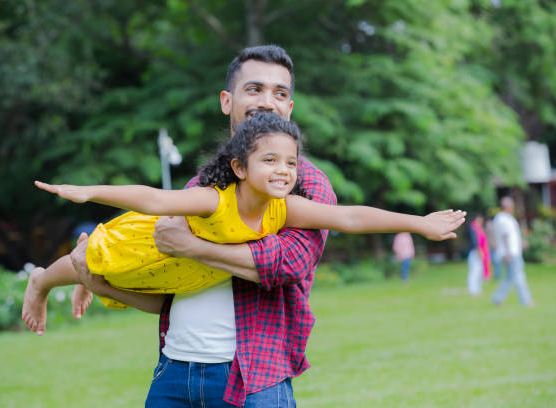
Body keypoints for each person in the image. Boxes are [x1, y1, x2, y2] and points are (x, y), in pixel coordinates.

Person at [64, 45, 457, 407]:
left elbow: (286, 263)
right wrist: (96, 280)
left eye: (280, 93)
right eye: (254, 89)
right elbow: (160, 268)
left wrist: (419, 223)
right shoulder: (203, 188)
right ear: (227, 101)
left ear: (290, 106)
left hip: (251, 377)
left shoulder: (299, 186)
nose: (268, 101)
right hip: (174, 370)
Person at [23, 112, 465, 325]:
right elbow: (154, 200)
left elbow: (348, 215)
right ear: (239, 167)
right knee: (96, 256)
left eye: (290, 163)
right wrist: (89, 192)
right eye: (269, 160)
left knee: (112, 283)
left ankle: (85, 276)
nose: (283, 171)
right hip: (146, 242)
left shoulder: (284, 209)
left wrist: (419, 222)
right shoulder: (213, 200)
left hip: (178, 271)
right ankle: (42, 281)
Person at [491, 196, 534, 307]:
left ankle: (497, 299)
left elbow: (511, 236)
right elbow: (505, 237)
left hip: (513, 252)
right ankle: (526, 301)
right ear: (507, 206)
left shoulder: (507, 218)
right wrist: (508, 253)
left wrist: (520, 243)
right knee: (519, 277)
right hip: (511, 254)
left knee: (510, 278)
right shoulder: (502, 219)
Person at [466, 214, 490, 295]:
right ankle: (472, 290)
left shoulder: (479, 228)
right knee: (474, 271)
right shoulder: (473, 228)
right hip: (475, 252)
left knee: (479, 271)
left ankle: (477, 289)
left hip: (479, 252)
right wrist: (479, 252)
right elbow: (475, 242)